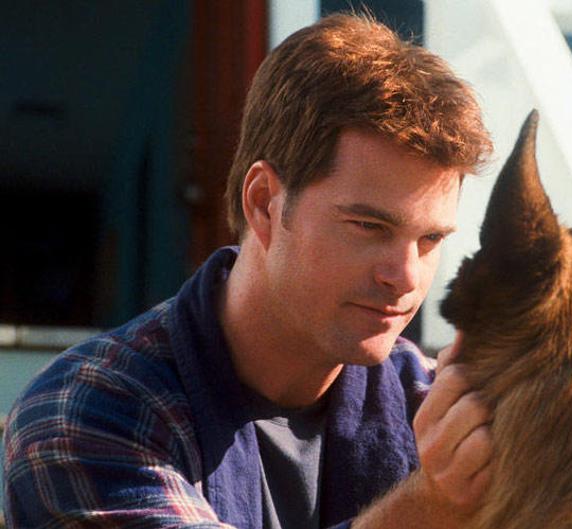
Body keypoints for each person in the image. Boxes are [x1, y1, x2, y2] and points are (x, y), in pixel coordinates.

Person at [2, 14, 494, 529]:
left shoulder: (432, 408)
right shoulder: (85, 410)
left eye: (431, 239)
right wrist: (433, 504)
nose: (407, 277)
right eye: (369, 226)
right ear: (263, 203)